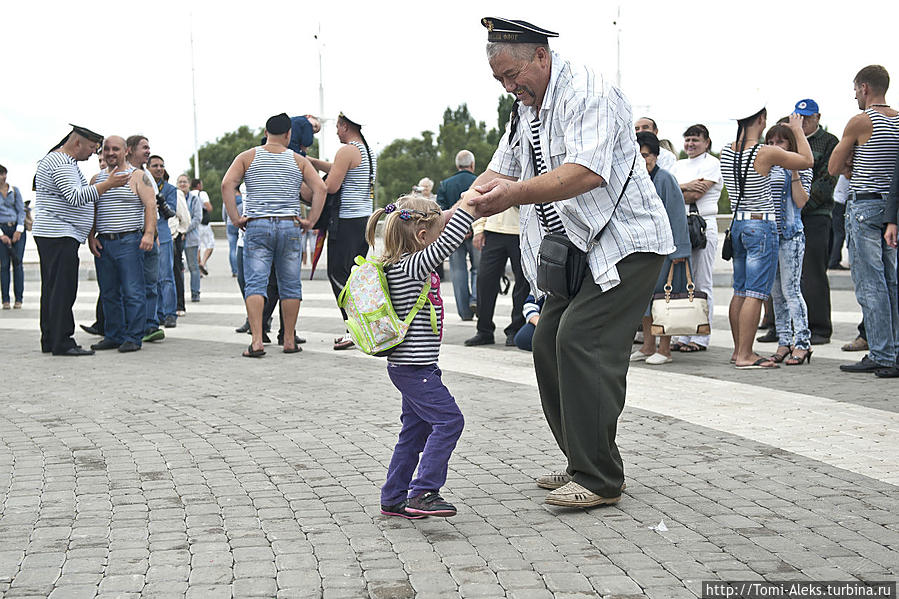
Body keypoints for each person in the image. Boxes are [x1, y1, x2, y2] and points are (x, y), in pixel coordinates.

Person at [467, 18, 674, 508]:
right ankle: (583, 459)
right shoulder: (526, 108)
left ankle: (599, 478)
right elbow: (502, 168)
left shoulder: (588, 91)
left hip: (626, 242)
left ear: (541, 56)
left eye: (513, 74)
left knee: (580, 340)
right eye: (499, 79)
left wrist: (511, 196)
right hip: (578, 250)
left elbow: (585, 173)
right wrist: (448, 213)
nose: (508, 86)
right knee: (544, 341)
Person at [368, 194, 479, 519]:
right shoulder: (411, 266)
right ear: (421, 236)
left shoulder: (398, 264)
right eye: (436, 231)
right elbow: (447, 244)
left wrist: (458, 205)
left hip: (413, 366)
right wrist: (468, 210)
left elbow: (439, 232)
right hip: (414, 369)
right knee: (449, 421)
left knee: (414, 432)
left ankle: (393, 497)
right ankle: (424, 491)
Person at [221, 112, 326, 357]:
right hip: (289, 225)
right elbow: (319, 188)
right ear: (289, 134)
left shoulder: (247, 157)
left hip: (257, 226)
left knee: (256, 283)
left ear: (266, 132)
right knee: (290, 284)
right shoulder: (297, 160)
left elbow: (227, 184)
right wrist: (311, 220)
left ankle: (257, 341)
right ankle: (289, 340)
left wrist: (236, 218)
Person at [722, 105, 813, 369]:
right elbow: (807, 161)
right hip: (761, 226)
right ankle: (746, 354)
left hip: (738, 225)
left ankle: (737, 350)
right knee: (756, 293)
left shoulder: (728, 151)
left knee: (739, 290)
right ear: (761, 119)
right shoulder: (765, 152)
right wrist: (797, 130)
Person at [33, 125, 130, 355]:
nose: (94, 153)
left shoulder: (56, 160)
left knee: (52, 289)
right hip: (59, 234)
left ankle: (50, 338)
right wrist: (106, 185)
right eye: (92, 147)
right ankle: (63, 342)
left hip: (54, 234)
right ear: (77, 143)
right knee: (63, 290)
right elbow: (75, 197)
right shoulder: (62, 163)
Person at [830, 65, 899, 377]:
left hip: (865, 206)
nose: (855, 94)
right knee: (891, 282)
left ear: (865, 88)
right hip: (891, 210)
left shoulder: (861, 121)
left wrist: (850, 158)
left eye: (856, 89)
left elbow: (832, 166)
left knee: (870, 285)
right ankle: (893, 349)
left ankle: (882, 353)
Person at [306, 111, 377, 350]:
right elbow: (340, 168)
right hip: (362, 220)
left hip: (346, 221)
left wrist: (308, 181)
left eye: (337, 126)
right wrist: (313, 163)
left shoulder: (346, 151)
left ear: (345, 126)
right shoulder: (365, 150)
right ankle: (360, 328)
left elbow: (331, 186)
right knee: (354, 275)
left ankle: (353, 329)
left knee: (339, 276)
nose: (336, 131)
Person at [87, 136, 157, 353]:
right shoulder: (96, 178)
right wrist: (91, 237)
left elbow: (150, 206)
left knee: (133, 290)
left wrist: (148, 234)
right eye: (106, 149)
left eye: (115, 149)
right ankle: (113, 335)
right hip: (104, 243)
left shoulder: (138, 176)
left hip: (129, 241)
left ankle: (133, 337)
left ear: (126, 151)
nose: (110, 153)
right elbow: (92, 209)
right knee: (108, 292)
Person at [630, 132, 691, 365]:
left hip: (666, 251)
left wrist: (679, 252)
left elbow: (677, 215)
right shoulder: (634, 179)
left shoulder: (665, 179)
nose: (643, 159)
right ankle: (647, 346)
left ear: (655, 156)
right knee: (645, 302)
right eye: (638, 155)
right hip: (642, 250)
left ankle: (664, 349)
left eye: (646, 155)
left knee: (664, 300)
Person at [763, 124, 814, 365]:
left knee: (791, 290)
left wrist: (792, 169)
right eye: (770, 142)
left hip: (791, 236)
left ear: (790, 145)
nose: (775, 147)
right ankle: (784, 341)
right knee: (776, 294)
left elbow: (802, 201)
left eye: (780, 142)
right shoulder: (765, 167)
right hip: (769, 237)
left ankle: (802, 342)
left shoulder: (801, 168)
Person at [670, 124, 722, 353]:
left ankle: (700, 337)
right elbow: (667, 192)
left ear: (707, 142)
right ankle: (682, 332)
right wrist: (684, 187)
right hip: (680, 226)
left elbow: (695, 194)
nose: (690, 144)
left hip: (702, 225)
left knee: (701, 282)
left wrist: (680, 189)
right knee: (682, 282)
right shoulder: (678, 164)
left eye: (696, 140)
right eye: (687, 140)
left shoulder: (712, 163)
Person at [793, 99, 839, 345]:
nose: (804, 122)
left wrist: (799, 203)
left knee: (813, 273)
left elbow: (825, 183)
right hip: (791, 216)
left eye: (808, 118)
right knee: (788, 275)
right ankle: (785, 325)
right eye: (799, 117)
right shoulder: (789, 141)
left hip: (816, 216)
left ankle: (819, 327)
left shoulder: (829, 142)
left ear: (818, 117)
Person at [465, 206, 527, 346]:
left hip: (521, 229)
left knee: (522, 283)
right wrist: (479, 229)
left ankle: (516, 329)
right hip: (492, 230)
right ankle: (484, 330)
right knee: (485, 281)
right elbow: (482, 201)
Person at [436, 150, 480, 321]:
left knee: (458, 271)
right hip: (476, 231)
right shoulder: (477, 182)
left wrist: (458, 228)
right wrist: (469, 227)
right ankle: (475, 299)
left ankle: (464, 312)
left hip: (453, 234)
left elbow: (441, 211)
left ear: (457, 165)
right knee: (478, 268)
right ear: (472, 164)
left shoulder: (445, 185)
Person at [147, 155, 179, 328]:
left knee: (166, 277)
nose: (159, 168)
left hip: (164, 235)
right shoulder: (143, 183)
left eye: (161, 165)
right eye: (155, 166)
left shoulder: (169, 188)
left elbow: (172, 212)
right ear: (148, 167)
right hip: (148, 234)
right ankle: (156, 313)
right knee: (153, 278)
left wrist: (163, 203)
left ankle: (170, 313)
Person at [0, 164, 26, 310]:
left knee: (18, 263)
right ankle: (5, 299)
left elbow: (21, 211)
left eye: (4, 174)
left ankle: (19, 299)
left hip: (16, 228)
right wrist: (2, 235)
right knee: (4, 265)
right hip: (2, 230)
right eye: (0, 174)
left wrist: (19, 230)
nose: (3, 177)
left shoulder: (14, 191)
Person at [172, 174, 191, 315]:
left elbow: (185, 218)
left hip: (173, 237)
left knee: (176, 271)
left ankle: (179, 305)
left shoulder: (176, 194)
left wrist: (179, 231)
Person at [184, 179, 204, 301]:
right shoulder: (174, 197)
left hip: (190, 238)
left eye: (185, 182)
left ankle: (195, 292)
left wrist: (184, 230)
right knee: (177, 268)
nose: (182, 184)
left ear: (189, 185)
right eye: (180, 182)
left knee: (193, 266)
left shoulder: (194, 199)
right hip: (176, 237)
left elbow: (197, 218)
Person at [195, 179, 215, 275]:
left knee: (197, 246)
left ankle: (198, 270)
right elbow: (209, 207)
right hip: (203, 223)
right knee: (210, 244)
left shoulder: (190, 194)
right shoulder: (202, 194)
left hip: (194, 224)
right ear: (198, 185)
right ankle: (202, 263)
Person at [224, 184, 244, 277]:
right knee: (241, 246)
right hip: (242, 224)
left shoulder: (228, 199)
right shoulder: (244, 199)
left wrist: (227, 221)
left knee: (232, 248)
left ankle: (234, 271)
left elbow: (224, 214)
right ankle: (241, 269)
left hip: (230, 223)